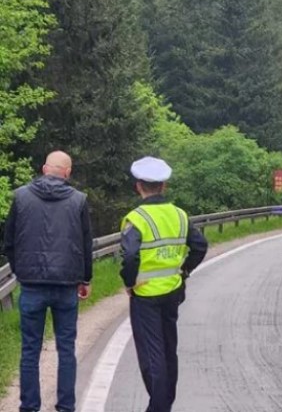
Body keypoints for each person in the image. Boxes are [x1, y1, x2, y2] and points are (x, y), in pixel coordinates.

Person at [3, 151, 93, 412]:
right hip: (66, 285)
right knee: (66, 349)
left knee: (30, 349)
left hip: (31, 284)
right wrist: (85, 278)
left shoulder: (21, 197)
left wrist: (21, 270)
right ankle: (66, 406)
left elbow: (8, 242)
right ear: (67, 172)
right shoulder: (78, 200)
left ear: (44, 168)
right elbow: (85, 244)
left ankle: (29, 407)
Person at [120, 157, 207, 412]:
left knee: (151, 356)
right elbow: (200, 246)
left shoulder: (136, 218)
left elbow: (130, 256)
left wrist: (129, 282)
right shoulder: (180, 215)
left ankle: (158, 407)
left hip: (145, 294)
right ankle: (165, 403)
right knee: (169, 350)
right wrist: (184, 270)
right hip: (173, 291)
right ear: (164, 186)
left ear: (139, 186)